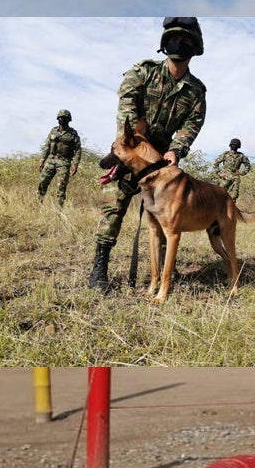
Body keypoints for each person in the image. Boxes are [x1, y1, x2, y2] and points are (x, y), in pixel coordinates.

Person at [88, 17, 207, 290]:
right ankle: (100, 268)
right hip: (131, 151)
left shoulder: (196, 92)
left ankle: (163, 275)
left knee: (164, 215)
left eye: (186, 40)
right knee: (113, 207)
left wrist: (176, 150)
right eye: (173, 39)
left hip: (161, 163)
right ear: (164, 45)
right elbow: (126, 108)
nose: (179, 44)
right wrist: (134, 149)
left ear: (196, 48)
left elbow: (192, 125)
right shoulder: (143, 72)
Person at [36, 109, 82, 206]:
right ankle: (38, 203)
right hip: (51, 160)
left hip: (64, 162)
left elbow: (78, 150)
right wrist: (42, 161)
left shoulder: (73, 133)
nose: (61, 119)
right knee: (42, 182)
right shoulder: (53, 131)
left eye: (64, 118)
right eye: (60, 118)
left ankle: (59, 207)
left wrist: (75, 164)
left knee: (61, 186)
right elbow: (47, 147)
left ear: (68, 120)